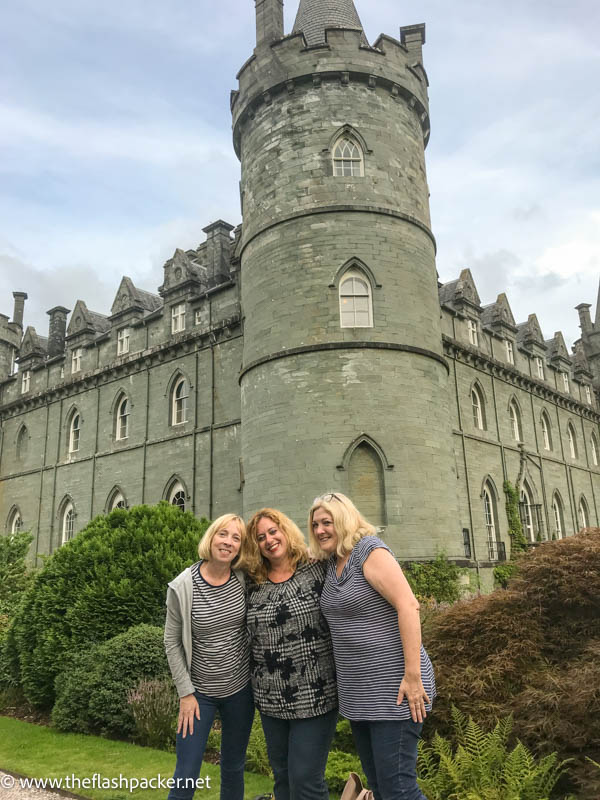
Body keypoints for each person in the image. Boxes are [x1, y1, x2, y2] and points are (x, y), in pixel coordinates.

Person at [308, 493, 435, 800]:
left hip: (396, 688)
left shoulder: (369, 552)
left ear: (345, 520)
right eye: (315, 525)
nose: (320, 530)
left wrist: (413, 676)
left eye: (328, 522)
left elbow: (408, 605)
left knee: (399, 789)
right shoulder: (332, 563)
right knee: (379, 786)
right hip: (359, 694)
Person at [246, 508, 338, 800]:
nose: (269, 540)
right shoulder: (252, 582)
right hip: (271, 697)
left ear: (286, 530)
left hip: (315, 693)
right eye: (261, 537)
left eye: (273, 531)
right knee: (283, 780)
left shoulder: (316, 568)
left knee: (306, 781)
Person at [164, 513, 255, 800]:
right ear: (211, 537)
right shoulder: (183, 586)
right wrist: (185, 693)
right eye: (223, 534)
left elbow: (283, 563)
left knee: (233, 769)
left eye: (236, 538)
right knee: (187, 772)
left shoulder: (243, 579)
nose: (228, 542)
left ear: (241, 547)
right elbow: (171, 642)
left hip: (240, 692)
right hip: (198, 695)